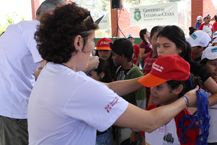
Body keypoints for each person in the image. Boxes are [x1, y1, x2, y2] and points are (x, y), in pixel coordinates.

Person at [27, 3, 199, 145]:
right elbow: (150, 122)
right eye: (92, 43)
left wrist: (149, 78)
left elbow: (109, 87)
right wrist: (186, 100)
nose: (92, 51)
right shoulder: (76, 87)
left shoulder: (53, 72)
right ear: (78, 42)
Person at [0, 0, 67, 144]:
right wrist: (86, 65)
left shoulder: (18, 28)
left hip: (10, 104)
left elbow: (37, 71)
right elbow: (53, 70)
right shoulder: (36, 29)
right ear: (51, 15)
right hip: (15, 107)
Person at [155, 25, 217, 112]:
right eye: (158, 46)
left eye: (166, 46)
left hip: (185, 122)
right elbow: (153, 98)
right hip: (162, 118)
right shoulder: (158, 67)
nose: (159, 50)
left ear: (180, 48)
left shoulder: (194, 68)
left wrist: (194, 108)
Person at [140, 55, 202, 145]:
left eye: (158, 86)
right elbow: (144, 140)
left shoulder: (187, 123)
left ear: (177, 89)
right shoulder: (149, 111)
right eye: (151, 84)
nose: (152, 90)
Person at [111, 38, 146, 144]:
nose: (112, 58)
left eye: (114, 55)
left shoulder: (137, 75)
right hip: (119, 125)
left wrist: (135, 131)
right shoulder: (119, 70)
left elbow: (141, 103)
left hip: (130, 128)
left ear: (122, 56)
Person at [86, 58, 113, 144]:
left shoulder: (104, 93)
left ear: (101, 74)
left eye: (90, 74)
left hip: (99, 137)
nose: (86, 77)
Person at [142, 26, 163, 106]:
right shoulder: (148, 56)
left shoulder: (161, 59)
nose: (158, 42)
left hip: (155, 99)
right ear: (150, 39)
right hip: (145, 95)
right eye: (156, 38)